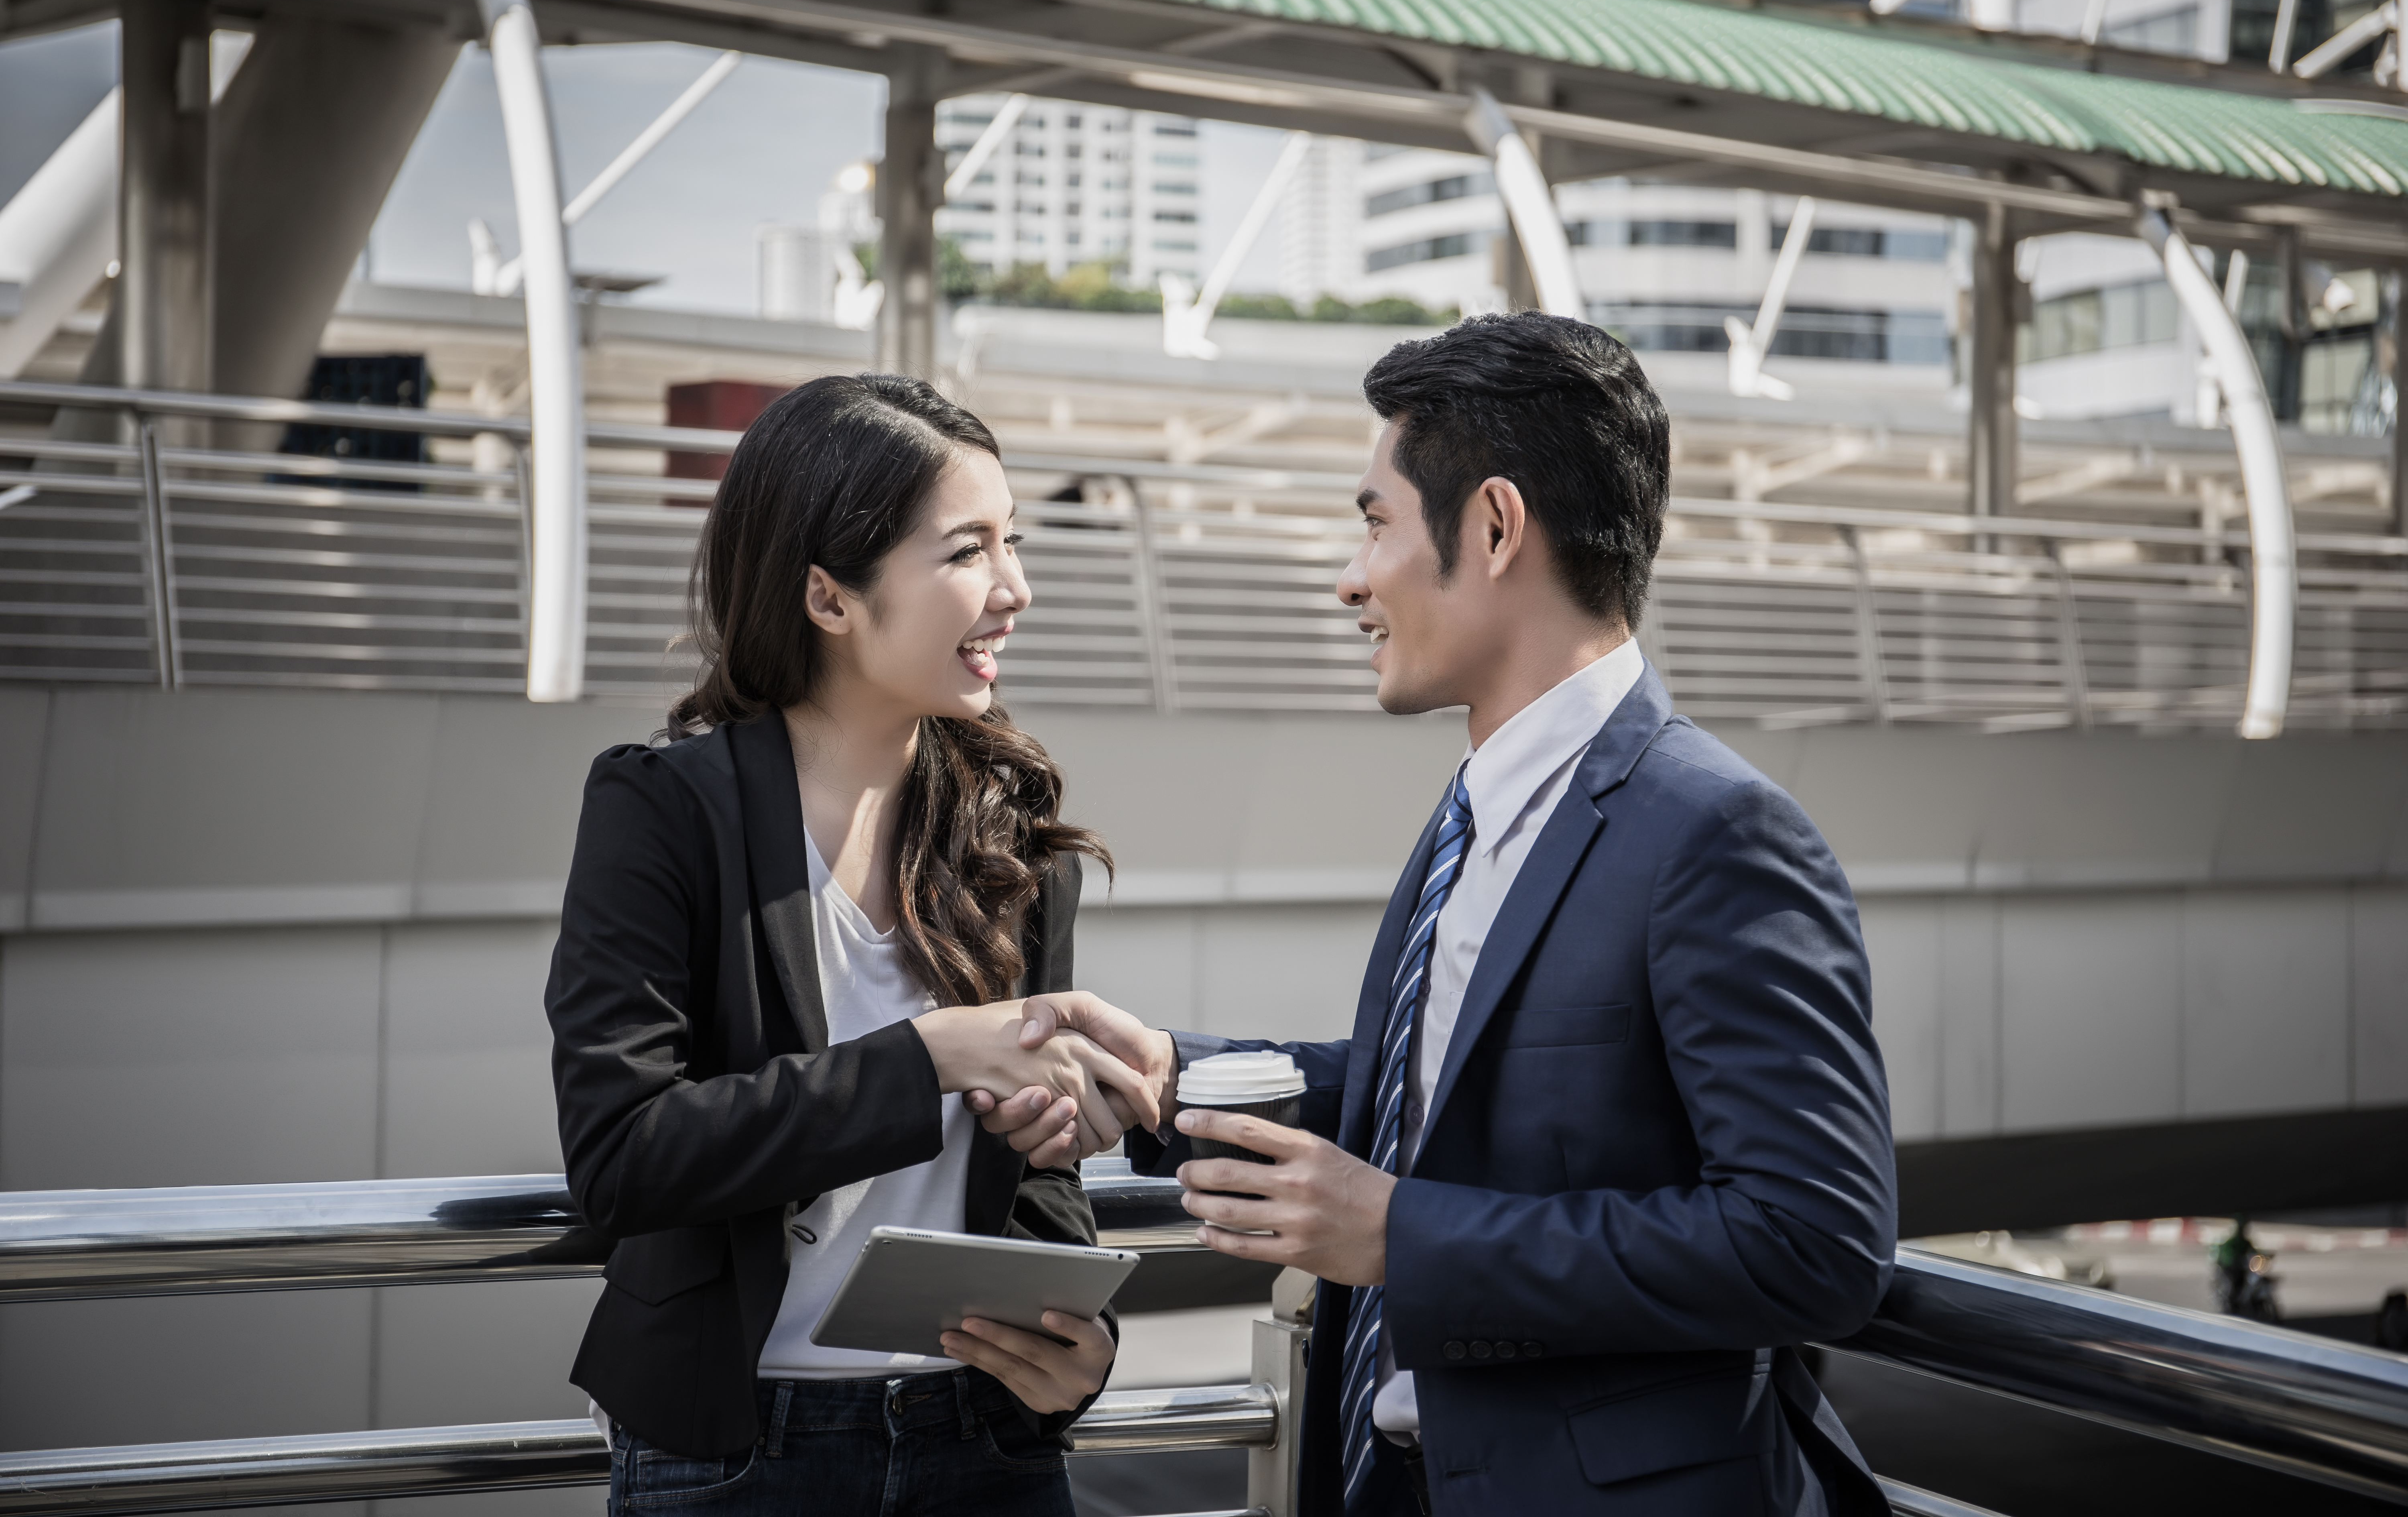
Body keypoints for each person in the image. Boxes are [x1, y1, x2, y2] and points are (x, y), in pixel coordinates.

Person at [982, 314, 1899, 1515]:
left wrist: (1404, 1238)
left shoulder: (1718, 832)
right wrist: (1174, 1080)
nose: (1351, 576)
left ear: (1496, 526)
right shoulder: (1481, 801)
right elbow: (1451, 1095)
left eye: (1374, 521)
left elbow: (1813, 1243)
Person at [545, 374, 1153, 1517]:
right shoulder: (666, 811)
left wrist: (1083, 1347)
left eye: (1012, 543)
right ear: (829, 595)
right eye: (968, 551)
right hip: (732, 1452)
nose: (1014, 589)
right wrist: (929, 1058)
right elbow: (624, 1155)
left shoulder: (1015, 840)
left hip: (983, 1436)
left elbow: (1038, 1180)